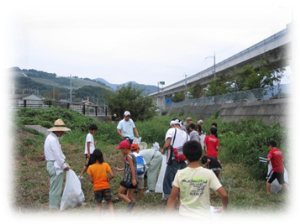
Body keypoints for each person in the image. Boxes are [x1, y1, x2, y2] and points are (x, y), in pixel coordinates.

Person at [166, 141, 228, 222]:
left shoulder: (180, 173)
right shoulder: (208, 173)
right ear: (200, 156)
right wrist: (224, 208)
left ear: (185, 156)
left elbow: (172, 198)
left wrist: (167, 219)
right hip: (202, 217)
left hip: (184, 216)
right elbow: (224, 195)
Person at [44, 118, 71, 209]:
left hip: (52, 163)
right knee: (56, 187)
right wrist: (64, 166)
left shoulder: (50, 138)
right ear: (57, 131)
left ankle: (54, 203)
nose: (63, 133)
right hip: (55, 164)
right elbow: (57, 155)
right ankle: (53, 206)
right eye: (62, 131)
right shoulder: (53, 140)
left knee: (54, 185)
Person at [161, 118, 190, 201]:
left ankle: (169, 198)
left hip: (174, 159)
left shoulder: (171, 130)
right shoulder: (187, 135)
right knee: (181, 181)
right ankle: (180, 200)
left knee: (168, 180)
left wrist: (163, 151)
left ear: (173, 125)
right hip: (184, 161)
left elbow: (167, 144)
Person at [87, 149, 115, 222]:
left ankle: (99, 220)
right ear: (101, 156)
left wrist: (95, 182)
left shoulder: (90, 167)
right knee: (109, 202)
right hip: (106, 186)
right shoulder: (105, 165)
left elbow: (91, 180)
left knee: (98, 204)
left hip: (97, 188)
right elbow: (112, 175)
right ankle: (113, 218)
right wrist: (108, 180)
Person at [115, 140, 138, 215]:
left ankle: (130, 202)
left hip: (128, 179)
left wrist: (133, 179)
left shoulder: (128, 157)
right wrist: (120, 169)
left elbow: (132, 167)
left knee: (120, 193)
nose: (121, 151)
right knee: (130, 195)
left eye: (121, 149)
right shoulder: (133, 155)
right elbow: (129, 167)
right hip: (133, 178)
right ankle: (134, 212)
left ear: (125, 148)